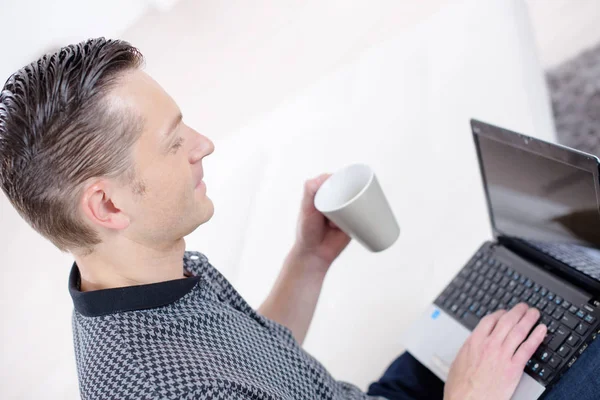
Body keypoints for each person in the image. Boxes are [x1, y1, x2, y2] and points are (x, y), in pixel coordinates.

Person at [0, 38, 598, 400]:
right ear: (107, 206)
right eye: (172, 141)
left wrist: (307, 261)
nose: (203, 145)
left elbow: (253, 361)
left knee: (543, 297)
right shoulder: (163, 388)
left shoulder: (149, 270)